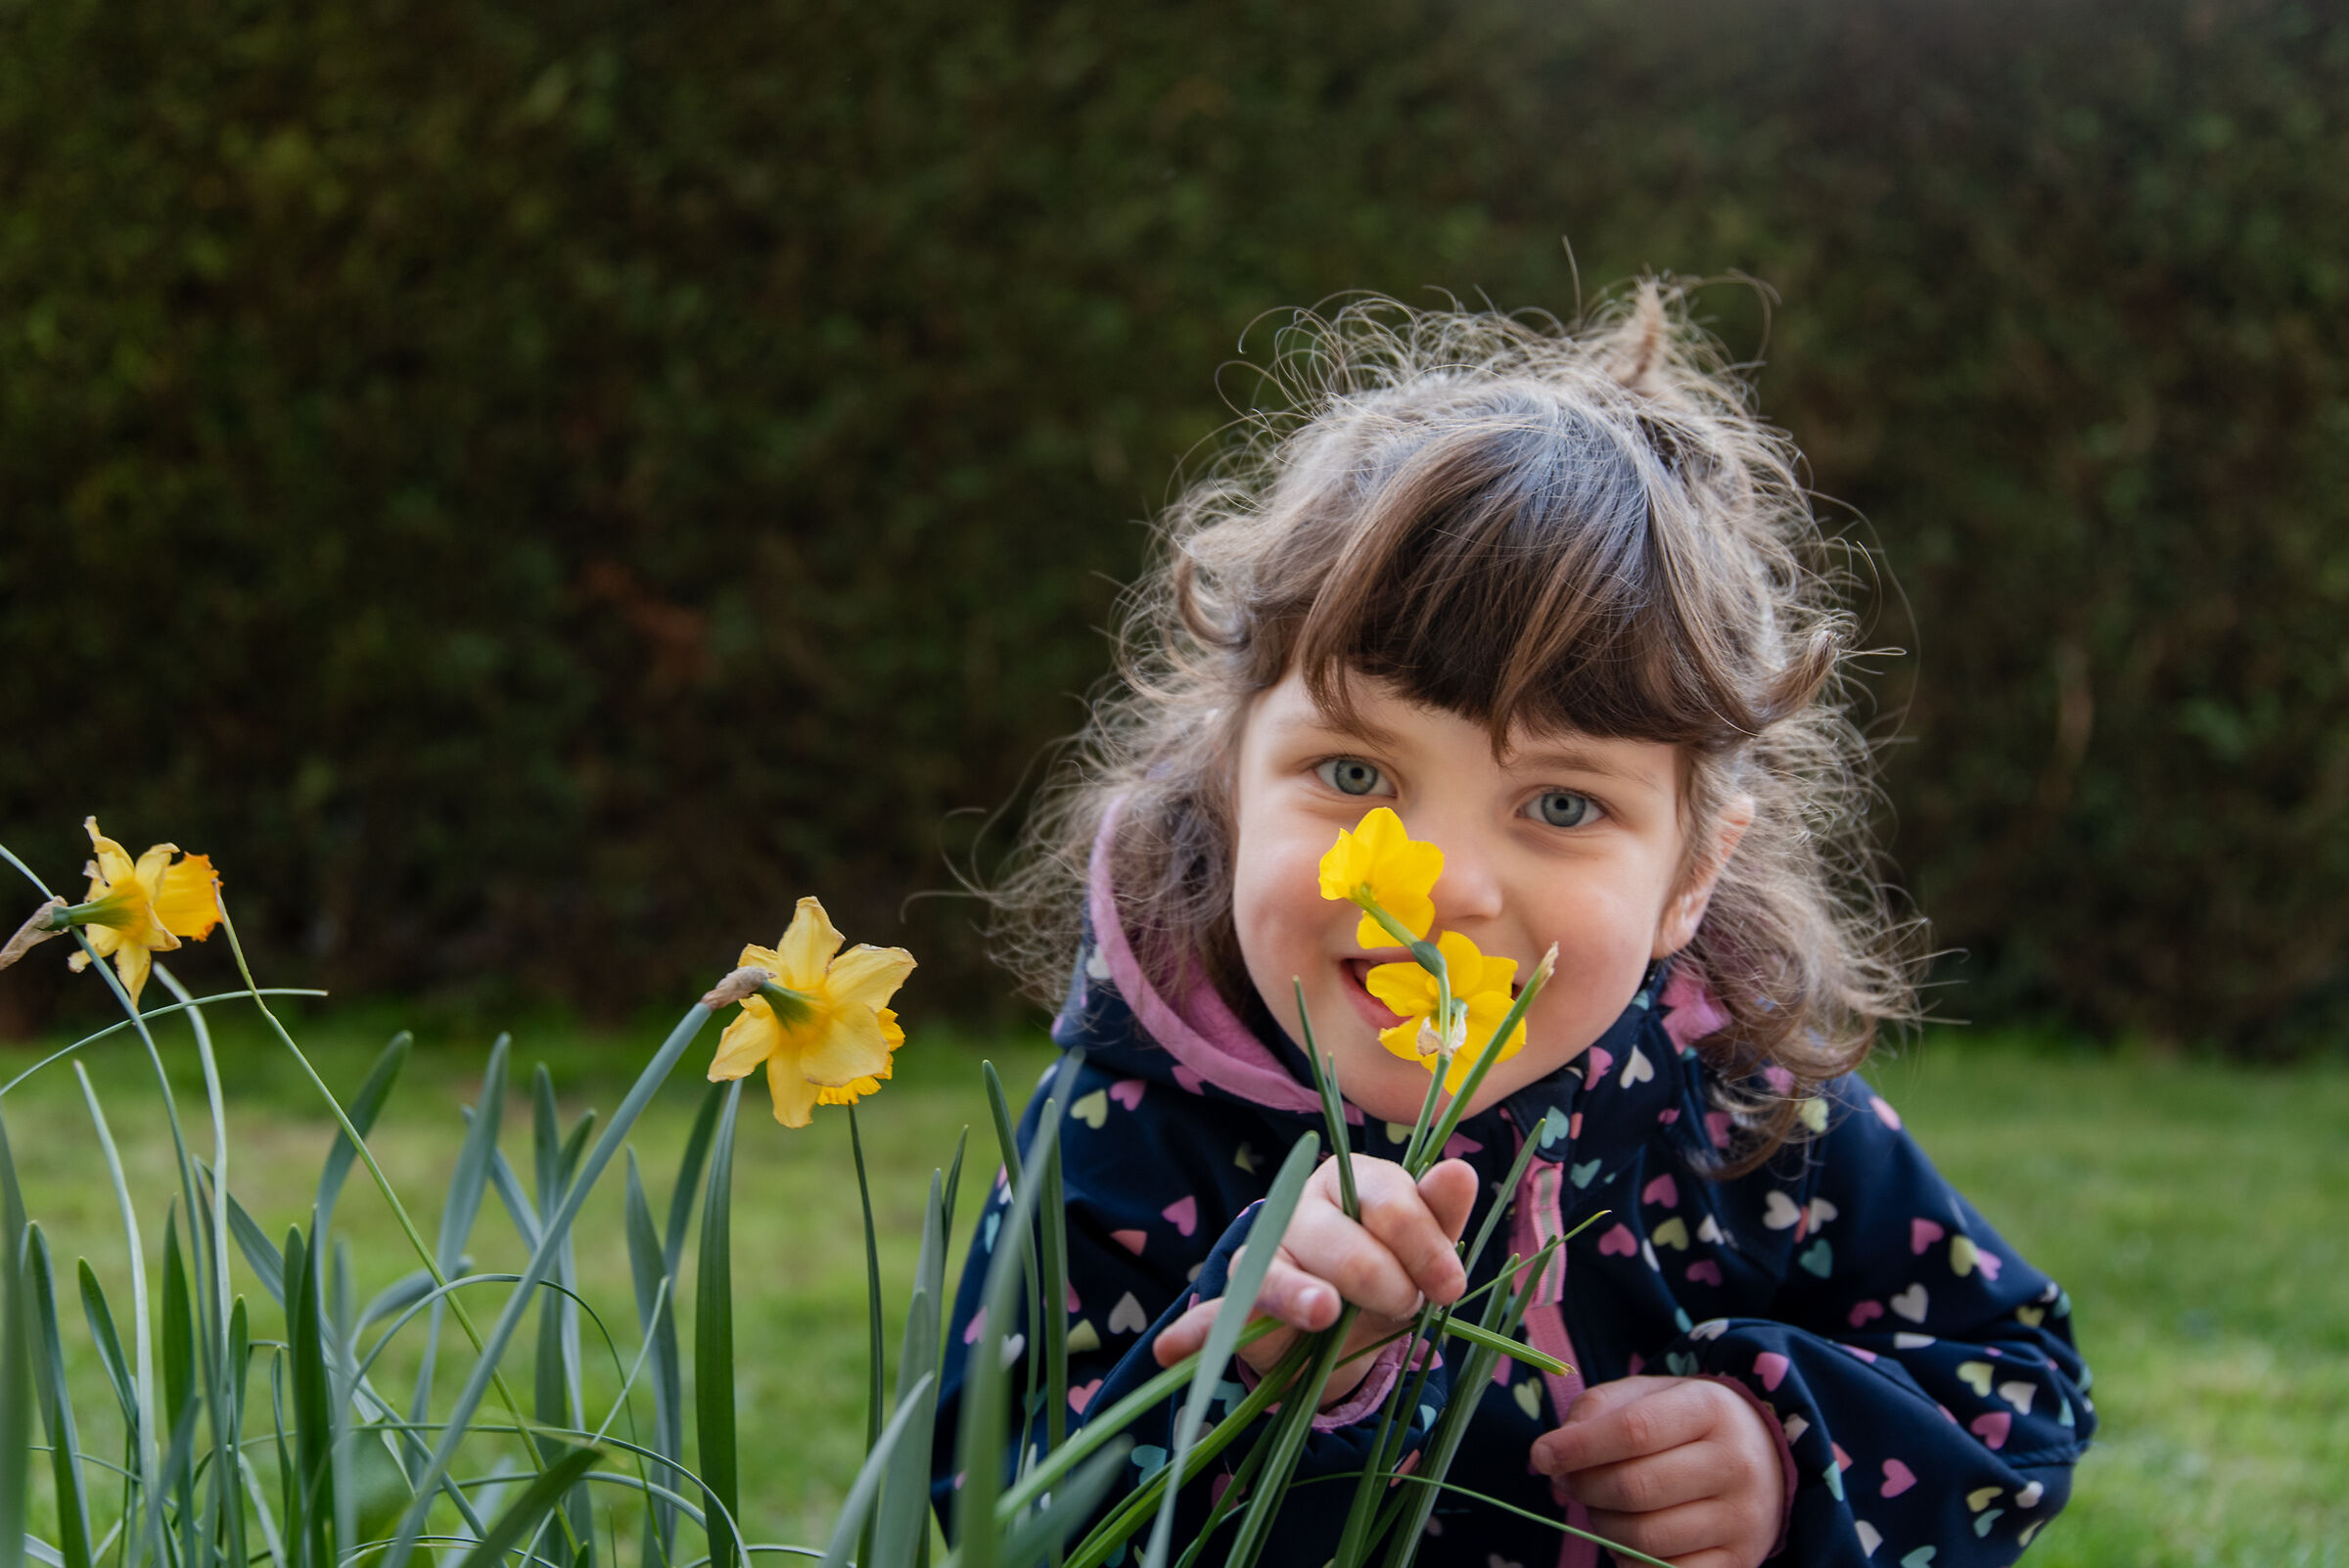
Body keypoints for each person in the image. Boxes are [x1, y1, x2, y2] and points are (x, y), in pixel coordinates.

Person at [934, 286, 2095, 1567]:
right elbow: (990, 1511)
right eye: (1356, 775)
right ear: (1229, 780)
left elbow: (2015, 1381)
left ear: (1691, 878)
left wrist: (1780, 1452)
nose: (1441, 887)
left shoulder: (1746, 1106)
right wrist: (1242, 1387)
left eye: (1558, 801)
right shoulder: (1130, 1126)